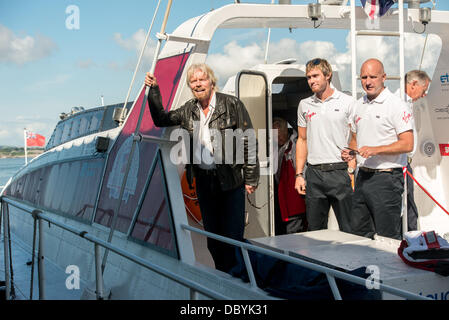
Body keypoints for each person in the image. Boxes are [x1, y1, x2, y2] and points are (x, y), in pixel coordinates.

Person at [145, 63, 259, 272]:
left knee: (233, 237)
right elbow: (161, 119)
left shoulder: (232, 104)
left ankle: (239, 280)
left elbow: (249, 140)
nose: (198, 84)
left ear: (211, 81)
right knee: (213, 239)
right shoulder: (189, 109)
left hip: (231, 180)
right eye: (193, 81)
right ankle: (222, 277)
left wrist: (251, 177)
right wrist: (153, 90)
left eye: (202, 79)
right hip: (204, 182)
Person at [342, 58, 414, 240]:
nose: (368, 82)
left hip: (387, 179)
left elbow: (408, 143)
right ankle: (364, 269)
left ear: (384, 77)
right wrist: (351, 152)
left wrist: (376, 150)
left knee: (387, 237)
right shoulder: (358, 105)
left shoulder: (396, 105)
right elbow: (355, 137)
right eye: (364, 77)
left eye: (373, 77)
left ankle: (390, 270)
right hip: (362, 177)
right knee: (359, 235)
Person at [295, 58, 356, 233]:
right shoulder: (304, 105)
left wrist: (351, 167)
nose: (311, 81)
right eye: (308, 77)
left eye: (315, 76)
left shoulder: (347, 102)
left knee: (349, 228)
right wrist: (299, 174)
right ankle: (316, 262)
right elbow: (302, 140)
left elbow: (356, 136)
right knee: (315, 231)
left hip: (340, 171)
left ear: (328, 75)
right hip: (314, 173)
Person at [400, 70, 431, 231]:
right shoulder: (398, 103)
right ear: (413, 84)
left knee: (410, 203)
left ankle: (412, 235)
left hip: (407, 163)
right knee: (404, 205)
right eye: (424, 89)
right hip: (399, 164)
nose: (424, 94)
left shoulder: (409, 104)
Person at [273, 117, 307, 234]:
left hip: (295, 197)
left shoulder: (295, 145)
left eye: (280, 135)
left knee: (293, 231)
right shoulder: (277, 149)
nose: (278, 138)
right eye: (275, 137)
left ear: (286, 131)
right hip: (284, 197)